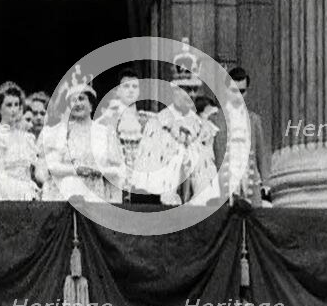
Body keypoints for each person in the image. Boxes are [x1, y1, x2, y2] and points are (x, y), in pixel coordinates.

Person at [133, 47, 219, 205]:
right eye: (186, 89)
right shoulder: (157, 123)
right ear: (174, 90)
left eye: (194, 89)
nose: (191, 94)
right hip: (161, 206)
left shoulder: (203, 128)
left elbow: (207, 174)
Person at [41, 66, 123, 202]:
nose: (77, 104)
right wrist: (76, 170)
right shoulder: (61, 132)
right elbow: (53, 166)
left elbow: (118, 170)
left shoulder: (104, 132)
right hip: (69, 193)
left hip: (97, 193)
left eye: (81, 98)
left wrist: (99, 171)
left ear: (91, 104)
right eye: (73, 100)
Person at [212, 67, 271, 207]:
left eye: (242, 91)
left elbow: (261, 154)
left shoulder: (254, 120)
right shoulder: (215, 119)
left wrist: (266, 184)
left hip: (249, 183)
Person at [96, 68, 156, 201]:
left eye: (135, 86)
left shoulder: (148, 120)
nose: (130, 90)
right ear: (118, 91)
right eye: (126, 86)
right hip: (116, 183)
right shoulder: (106, 121)